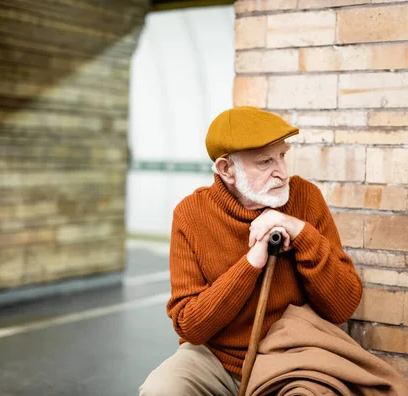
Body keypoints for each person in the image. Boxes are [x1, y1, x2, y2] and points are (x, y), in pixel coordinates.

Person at [139, 106, 363, 396]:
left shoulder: (305, 198)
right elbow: (190, 326)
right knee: (161, 390)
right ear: (226, 170)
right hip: (216, 358)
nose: (281, 173)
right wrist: (251, 264)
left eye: (282, 156)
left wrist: (299, 232)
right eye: (264, 162)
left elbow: (342, 306)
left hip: (294, 355)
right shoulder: (190, 214)